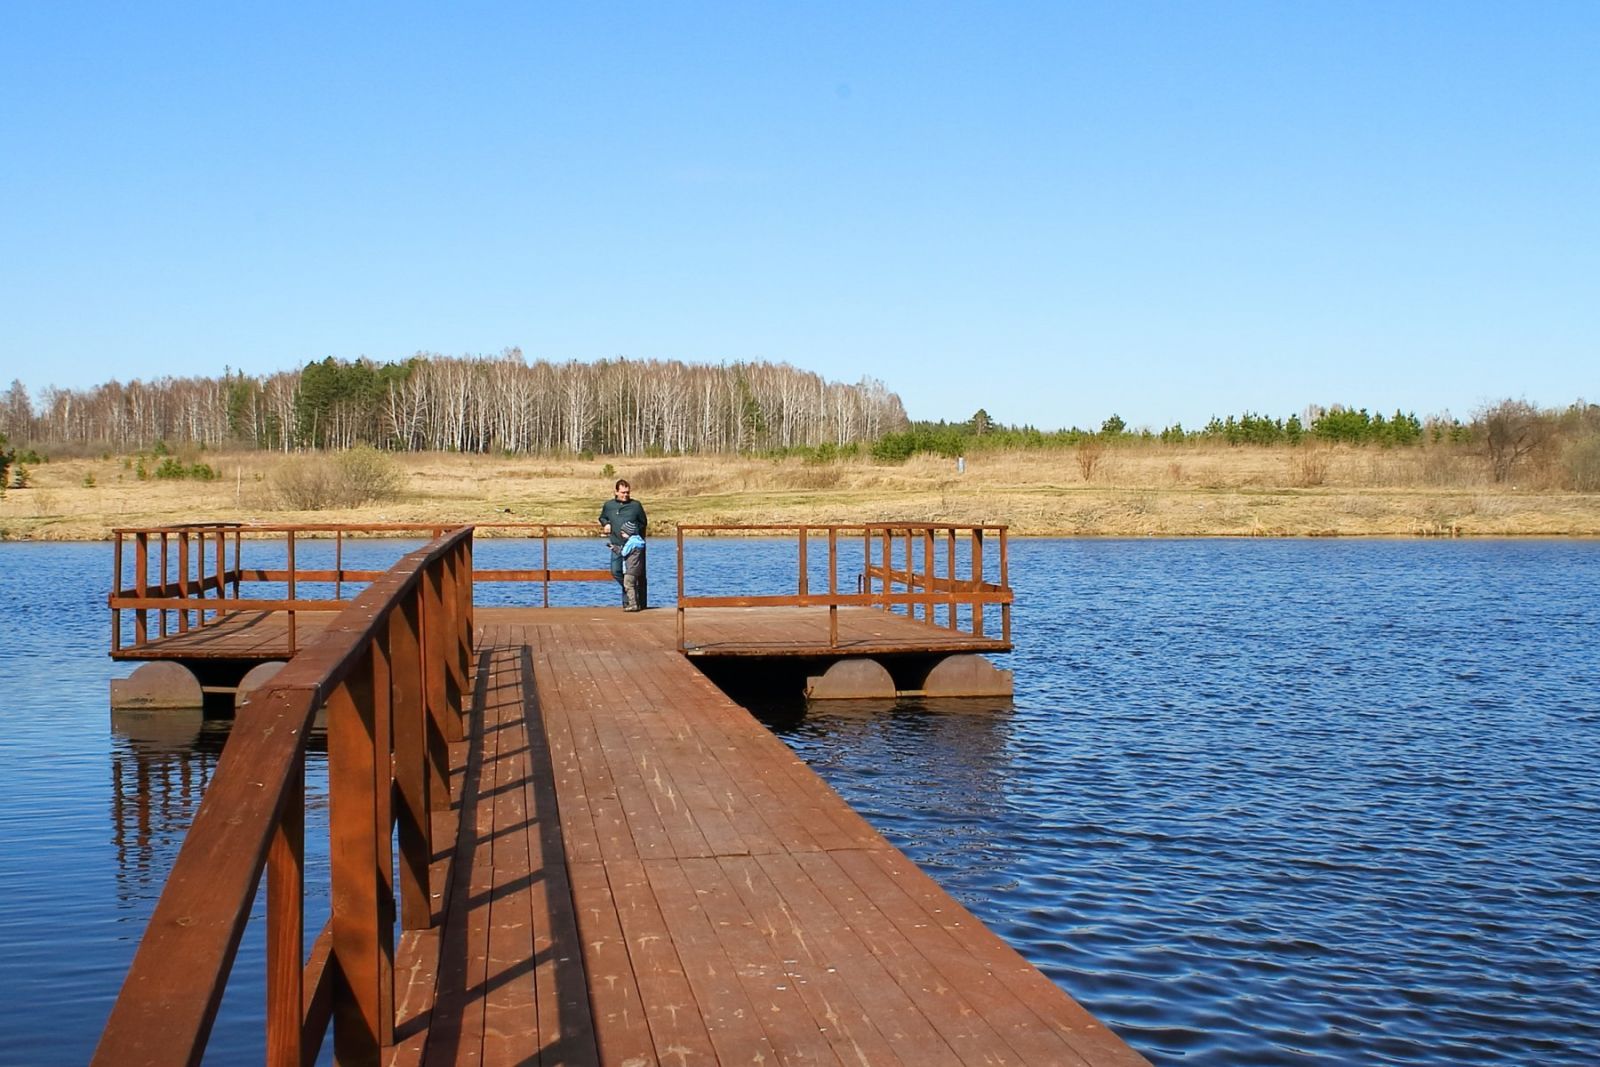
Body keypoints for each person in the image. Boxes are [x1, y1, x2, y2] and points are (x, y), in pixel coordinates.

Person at [597, 478, 647, 608]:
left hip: (633, 547)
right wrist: (606, 523)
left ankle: (629, 602)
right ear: (616, 492)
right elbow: (602, 517)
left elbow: (643, 522)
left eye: (627, 492)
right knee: (616, 571)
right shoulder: (609, 505)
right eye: (623, 492)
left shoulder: (636, 505)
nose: (625, 495)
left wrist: (634, 534)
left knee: (631, 574)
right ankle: (630, 590)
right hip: (616, 544)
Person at [616, 520, 646, 611]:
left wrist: (616, 549)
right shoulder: (639, 541)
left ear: (628, 532)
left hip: (630, 568)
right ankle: (637, 603)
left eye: (623, 533)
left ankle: (633, 604)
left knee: (628, 586)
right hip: (637, 568)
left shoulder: (631, 542)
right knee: (633, 586)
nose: (622, 535)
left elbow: (624, 553)